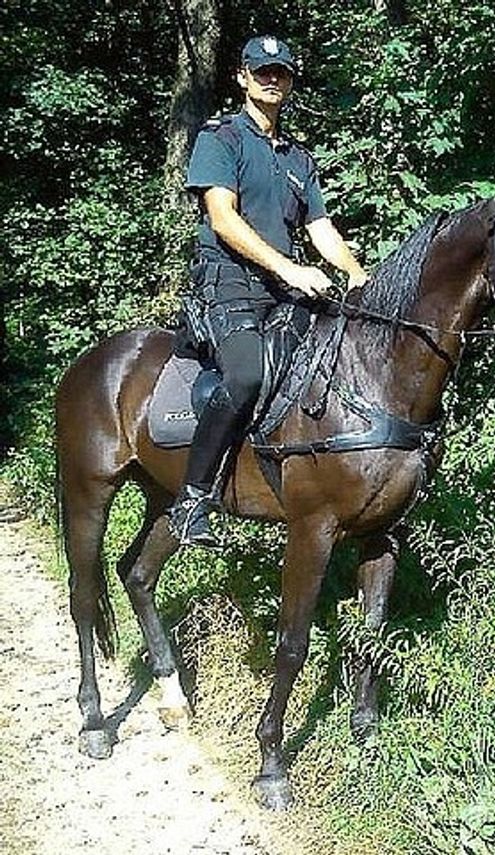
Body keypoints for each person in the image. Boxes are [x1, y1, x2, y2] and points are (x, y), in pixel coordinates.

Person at [169, 34, 367, 547]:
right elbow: (222, 217)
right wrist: (291, 269)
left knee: (335, 360)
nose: (273, 80)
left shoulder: (297, 157)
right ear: (242, 77)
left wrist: (359, 275)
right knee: (247, 372)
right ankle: (193, 500)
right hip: (228, 285)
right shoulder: (221, 139)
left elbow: (320, 228)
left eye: (281, 72)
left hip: (283, 291)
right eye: (263, 71)